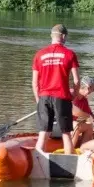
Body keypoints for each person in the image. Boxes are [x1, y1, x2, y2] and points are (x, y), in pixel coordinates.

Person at [32, 24, 80, 154]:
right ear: (63, 36)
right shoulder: (70, 54)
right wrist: (74, 95)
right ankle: (69, 166)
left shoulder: (39, 54)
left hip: (43, 97)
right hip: (62, 97)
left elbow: (35, 83)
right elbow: (76, 80)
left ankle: (37, 163)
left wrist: (39, 101)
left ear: (51, 36)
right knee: (66, 134)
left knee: (43, 134)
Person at [71, 76, 94, 149]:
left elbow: (90, 115)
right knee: (77, 125)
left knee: (89, 126)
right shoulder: (71, 94)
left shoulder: (84, 100)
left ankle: (84, 149)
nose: (93, 92)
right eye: (93, 90)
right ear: (88, 88)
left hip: (69, 123)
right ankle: (69, 151)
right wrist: (88, 116)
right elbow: (73, 111)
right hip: (59, 122)